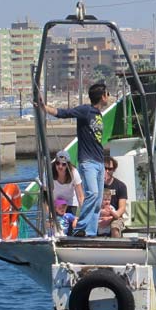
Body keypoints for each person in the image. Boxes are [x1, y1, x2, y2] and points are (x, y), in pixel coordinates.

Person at [38, 81, 109, 237]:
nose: (108, 97)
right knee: (92, 194)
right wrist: (45, 108)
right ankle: (80, 228)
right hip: (88, 161)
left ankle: (90, 233)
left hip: (98, 161)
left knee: (97, 202)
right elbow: (64, 113)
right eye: (107, 94)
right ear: (102, 96)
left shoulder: (98, 115)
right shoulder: (86, 110)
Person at [98, 155, 128, 237]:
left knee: (114, 227)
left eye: (110, 169)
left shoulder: (121, 186)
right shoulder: (96, 185)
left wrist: (111, 217)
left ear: (114, 169)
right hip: (99, 215)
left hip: (115, 217)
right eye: (104, 168)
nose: (107, 171)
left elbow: (122, 208)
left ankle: (117, 247)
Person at [51, 149, 84, 216]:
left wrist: (83, 213)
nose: (60, 166)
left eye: (63, 164)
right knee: (54, 225)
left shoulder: (74, 173)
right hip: (55, 203)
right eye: (58, 163)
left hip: (71, 202)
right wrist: (49, 210)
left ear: (68, 165)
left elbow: (80, 196)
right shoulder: (49, 172)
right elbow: (45, 193)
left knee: (70, 224)